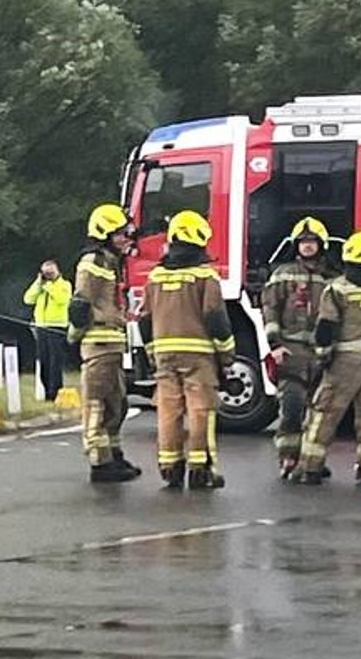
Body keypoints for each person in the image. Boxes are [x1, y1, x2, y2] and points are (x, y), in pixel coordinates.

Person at [291, 230, 361, 486]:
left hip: (344, 360)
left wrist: (322, 356)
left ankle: (311, 466)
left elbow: (326, 327)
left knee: (326, 412)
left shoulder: (339, 288)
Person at [139, 210, 234, 490]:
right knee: (200, 411)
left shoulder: (155, 276)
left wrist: (151, 352)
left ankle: (170, 466)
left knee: (168, 410)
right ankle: (199, 468)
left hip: (164, 357)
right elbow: (216, 318)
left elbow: (144, 319)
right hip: (198, 356)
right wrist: (226, 355)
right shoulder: (205, 276)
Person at [67, 204, 143, 483]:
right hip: (98, 344)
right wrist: (75, 335)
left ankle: (113, 454)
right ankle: (100, 463)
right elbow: (80, 304)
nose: (127, 238)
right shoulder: (93, 262)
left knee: (117, 404)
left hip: (111, 344)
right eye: (121, 233)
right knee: (96, 404)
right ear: (105, 234)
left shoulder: (110, 262)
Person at [261, 216, 340, 477]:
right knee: (292, 409)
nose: (307, 246)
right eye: (303, 242)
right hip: (291, 352)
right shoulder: (282, 274)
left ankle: (312, 461)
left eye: (312, 242)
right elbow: (270, 309)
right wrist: (275, 344)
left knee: (319, 414)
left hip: (321, 354)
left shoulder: (334, 278)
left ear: (321, 244)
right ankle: (288, 458)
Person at [23, 259, 71, 402]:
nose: (48, 275)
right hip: (41, 327)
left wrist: (49, 286)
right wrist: (39, 283)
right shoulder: (41, 286)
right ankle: (47, 392)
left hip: (57, 327)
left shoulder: (64, 285)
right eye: (45, 273)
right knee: (44, 361)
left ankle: (56, 391)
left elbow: (62, 299)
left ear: (57, 271)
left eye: (51, 272)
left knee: (55, 362)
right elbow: (28, 299)